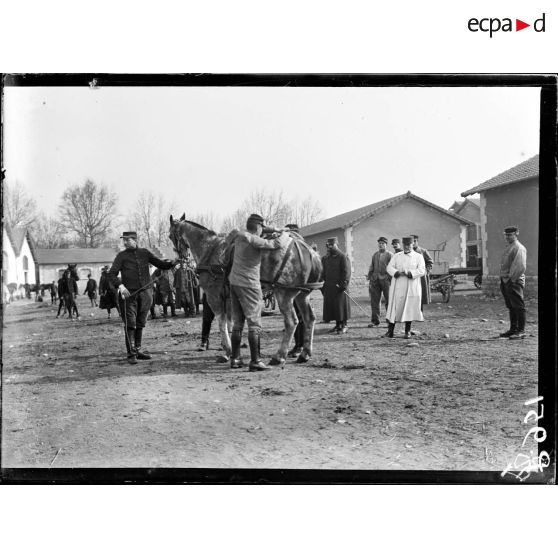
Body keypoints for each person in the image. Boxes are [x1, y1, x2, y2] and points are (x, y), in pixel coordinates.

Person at [107, 231, 178, 364]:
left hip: (146, 294)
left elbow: (160, 264)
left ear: (135, 240)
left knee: (140, 323)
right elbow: (112, 274)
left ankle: (137, 350)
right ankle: (131, 354)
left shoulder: (145, 253)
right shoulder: (121, 256)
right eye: (124, 240)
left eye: (127, 240)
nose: (125, 242)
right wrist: (121, 287)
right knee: (130, 323)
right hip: (129, 296)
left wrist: (173, 262)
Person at [228, 213, 286, 371]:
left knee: (238, 323)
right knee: (254, 324)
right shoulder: (254, 240)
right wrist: (284, 233)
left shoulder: (239, 235)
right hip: (249, 285)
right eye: (262, 227)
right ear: (259, 227)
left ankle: (235, 359)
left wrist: (269, 228)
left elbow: (253, 232)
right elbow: (275, 244)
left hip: (234, 282)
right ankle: (255, 361)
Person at [385, 236, 425, 338]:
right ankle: (390, 331)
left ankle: (407, 331)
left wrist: (410, 273)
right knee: (394, 308)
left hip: (411, 286)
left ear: (413, 245)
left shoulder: (418, 257)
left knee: (409, 308)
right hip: (398, 286)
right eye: (405, 245)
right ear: (403, 245)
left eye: (409, 245)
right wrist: (396, 272)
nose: (407, 247)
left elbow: (421, 270)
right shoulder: (397, 256)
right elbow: (389, 267)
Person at [499, 226, 527, 339]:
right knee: (511, 306)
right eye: (506, 235)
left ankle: (521, 331)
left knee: (519, 306)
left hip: (513, 280)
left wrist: (512, 280)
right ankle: (513, 329)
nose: (507, 237)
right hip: (506, 280)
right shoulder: (510, 247)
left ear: (516, 234)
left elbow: (520, 266)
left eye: (510, 235)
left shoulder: (518, 247)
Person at [321, 237, 351, 334]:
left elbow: (346, 272)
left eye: (332, 245)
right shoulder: (326, 258)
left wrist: (343, 285)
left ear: (336, 244)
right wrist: (323, 284)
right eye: (328, 245)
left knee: (341, 306)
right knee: (334, 308)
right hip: (329, 287)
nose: (330, 247)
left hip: (340, 287)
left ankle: (344, 325)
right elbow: (323, 272)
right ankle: (338, 325)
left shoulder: (342, 256)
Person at [367, 236, 393, 327]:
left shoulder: (390, 255)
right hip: (375, 280)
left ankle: (390, 321)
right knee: (374, 301)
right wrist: (370, 277)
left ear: (386, 245)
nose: (381, 245)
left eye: (383, 244)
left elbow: (393, 268)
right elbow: (372, 266)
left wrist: (389, 278)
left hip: (386, 281)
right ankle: (375, 320)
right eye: (379, 243)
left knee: (389, 300)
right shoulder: (375, 255)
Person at [411, 234, 433, 312]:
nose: (413, 243)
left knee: (420, 293)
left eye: (415, 241)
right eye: (412, 241)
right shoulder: (407, 252)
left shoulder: (423, 251)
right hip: (411, 276)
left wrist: (427, 271)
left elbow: (430, 262)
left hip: (421, 277)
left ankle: (420, 312)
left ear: (417, 241)